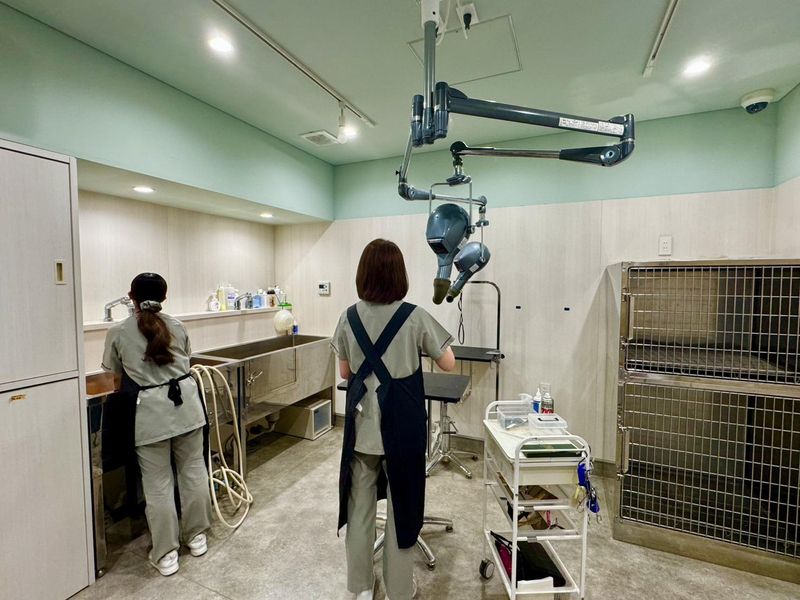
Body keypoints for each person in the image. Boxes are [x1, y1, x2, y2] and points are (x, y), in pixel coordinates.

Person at [332, 239, 456, 600]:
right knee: (403, 509)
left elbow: (345, 371)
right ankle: (399, 590)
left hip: (362, 431)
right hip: (402, 431)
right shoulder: (414, 316)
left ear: (362, 275)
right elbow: (448, 363)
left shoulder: (348, 317)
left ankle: (360, 587)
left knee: (359, 509)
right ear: (399, 275)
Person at [102, 273, 211, 576]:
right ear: (164, 297)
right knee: (194, 472)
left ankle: (166, 554)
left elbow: (113, 376)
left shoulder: (118, 332)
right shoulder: (178, 325)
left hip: (150, 415)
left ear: (131, 297)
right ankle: (197, 538)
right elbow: (185, 359)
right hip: (187, 407)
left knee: (158, 485)